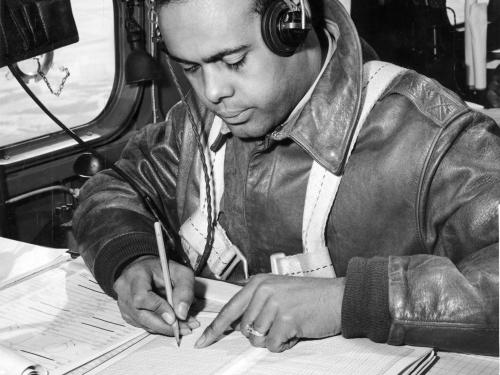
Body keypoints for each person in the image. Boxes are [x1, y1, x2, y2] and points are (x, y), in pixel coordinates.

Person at [73, 0, 499, 356]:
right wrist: (130, 257)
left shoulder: (435, 137)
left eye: (234, 61)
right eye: (190, 69)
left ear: (291, 25)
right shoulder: (193, 126)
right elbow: (113, 188)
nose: (212, 92)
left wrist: (350, 300)